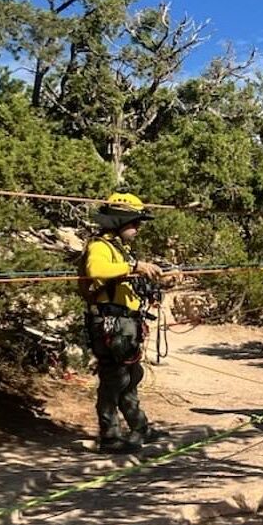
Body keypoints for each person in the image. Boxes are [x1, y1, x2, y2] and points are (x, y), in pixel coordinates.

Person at [81, 191, 167, 454]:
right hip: (110, 322)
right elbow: (95, 270)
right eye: (134, 222)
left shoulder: (121, 251)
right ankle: (109, 436)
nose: (138, 227)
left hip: (126, 322)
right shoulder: (100, 246)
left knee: (131, 376)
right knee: (114, 378)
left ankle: (139, 426)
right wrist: (135, 266)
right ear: (118, 222)